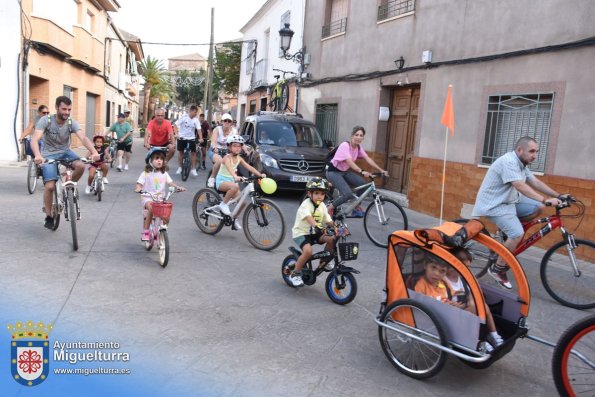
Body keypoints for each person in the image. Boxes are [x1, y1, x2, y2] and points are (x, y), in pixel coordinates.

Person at [472, 136, 568, 289]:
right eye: (531, 151)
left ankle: (509, 234)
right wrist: (545, 199)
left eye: (536, 151)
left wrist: (558, 195)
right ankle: (497, 269)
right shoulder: (509, 162)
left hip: (510, 201)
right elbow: (519, 185)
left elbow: (534, 182)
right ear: (519, 150)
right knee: (517, 234)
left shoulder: (522, 163)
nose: (534, 155)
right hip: (495, 204)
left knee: (539, 207)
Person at [31, 96, 100, 229]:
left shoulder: (71, 122)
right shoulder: (46, 120)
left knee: (80, 166)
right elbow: (35, 139)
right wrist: (38, 155)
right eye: (64, 109)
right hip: (48, 155)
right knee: (50, 186)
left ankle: (69, 188)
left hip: (65, 152)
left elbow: (83, 138)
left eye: (69, 109)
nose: (66, 112)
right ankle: (49, 216)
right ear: (57, 107)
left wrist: (94, 152)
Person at [446, 248, 504, 350]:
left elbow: (471, 296)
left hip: (463, 308)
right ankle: (479, 339)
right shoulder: (444, 279)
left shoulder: (464, 279)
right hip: (451, 313)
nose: (468, 271)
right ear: (453, 264)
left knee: (482, 306)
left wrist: (471, 300)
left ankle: (493, 334)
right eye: (465, 267)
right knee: (473, 310)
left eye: (469, 267)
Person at [326, 126, 388, 217]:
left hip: (344, 171)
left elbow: (368, 159)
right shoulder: (345, 145)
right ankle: (328, 209)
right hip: (333, 172)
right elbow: (349, 161)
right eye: (357, 135)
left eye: (361, 135)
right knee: (347, 194)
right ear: (352, 136)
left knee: (363, 184)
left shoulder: (358, 147)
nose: (359, 137)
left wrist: (381, 170)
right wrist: (362, 171)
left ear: (363, 138)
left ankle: (356, 208)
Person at [288, 178, 336, 287]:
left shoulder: (323, 206)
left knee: (332, 239)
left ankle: (324, 262)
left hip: (315, 233)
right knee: (308, 251)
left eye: (322, 194)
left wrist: (338, 227)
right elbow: (308, 217)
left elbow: (328, 220)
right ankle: (295, 274)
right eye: (317, 193)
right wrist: (316, 225)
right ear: (310, 193)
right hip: (301, 233)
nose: (320, 196)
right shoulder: (306, 204)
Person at [135, 148, 186, 241]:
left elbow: (170, 183)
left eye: (161, 159)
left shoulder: (164, 173)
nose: (159, 160)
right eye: (156, 158)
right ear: (150, 161)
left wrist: (177, 187)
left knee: (166, 213)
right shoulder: (146, 173)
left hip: (160, 199)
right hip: (147, 198)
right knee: (151, 208)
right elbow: (139, 184)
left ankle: (161, 230)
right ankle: (146, 232)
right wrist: (138, 188)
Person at [215, 135, 265, 230]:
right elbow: (229, 168)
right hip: (221, 182)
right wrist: (235, 176)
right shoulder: (227, 157)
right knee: (235, 186)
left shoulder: (239, 158)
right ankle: (223, 204)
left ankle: (234, 219)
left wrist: (259, 174)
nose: (237, 148)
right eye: (234, 146)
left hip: (231, 182)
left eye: (239, 146)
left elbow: (249, 167)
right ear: (229, 147)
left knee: (242, 203)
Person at [207, 113, 237, 188]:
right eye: (225, 120)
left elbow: (238, 142)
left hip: (226, 152)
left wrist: (245, 150)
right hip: (215, 151)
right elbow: (213, 141)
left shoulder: (234, 131)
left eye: (229, 121)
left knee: (234, 164)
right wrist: (214, 147)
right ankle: (212, 178)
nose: (227, 122)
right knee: (219, 161)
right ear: (222, 122)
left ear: (231, 123)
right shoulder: (217, 129)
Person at [174, 105, 203, 177]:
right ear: (190, 111)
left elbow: (199, 130)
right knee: (181, 152)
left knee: (193, 153)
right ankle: (180, 167)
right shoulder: (184, 118)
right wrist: (176, 134)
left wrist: (201, 138)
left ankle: (193, 169)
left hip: (191, 138)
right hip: (182, 137)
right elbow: (175, 125)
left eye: (196, 113)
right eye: (194, 112)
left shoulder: (196, 120)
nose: (195, 114)